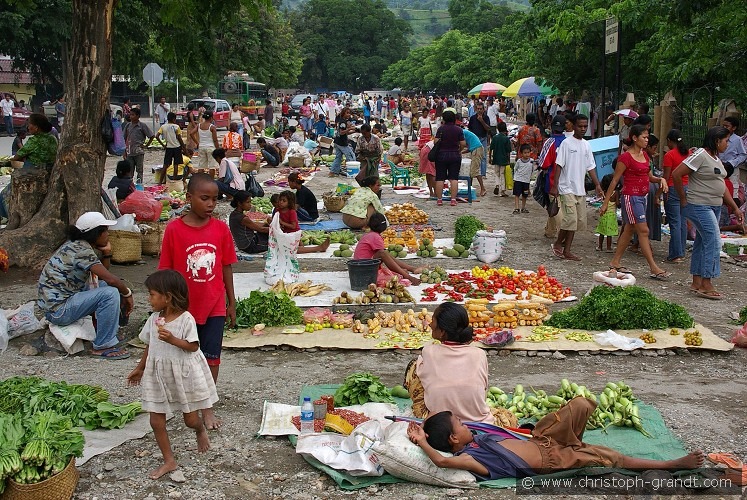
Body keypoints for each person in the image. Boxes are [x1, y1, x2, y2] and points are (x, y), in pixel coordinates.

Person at [407, 396, 705, 482]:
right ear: (453, 439)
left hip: (544, 439)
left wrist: (425, 424)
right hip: (553, 460)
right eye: (460, 424)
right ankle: (671, 464)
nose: (465, 423)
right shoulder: (470, 459)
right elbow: (442, 461)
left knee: (581, 404)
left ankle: (575, 440)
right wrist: (422, 440)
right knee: (612, 458)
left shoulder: (476, 439)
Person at [159, 174, 237, 430]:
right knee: (185, 356)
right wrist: (165, 307)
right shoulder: (173, 229)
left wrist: (231, 302)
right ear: (189, 198)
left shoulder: (220, 229)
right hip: (184, 308)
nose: (211, 204)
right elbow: (166, 271)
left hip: (214, 303)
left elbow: (226, 266)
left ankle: (207, 407)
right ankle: (186, 401)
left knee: (212, 357)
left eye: (215, 199)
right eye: (205, 198)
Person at [126, 270, 218, 480]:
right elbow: (150, 344)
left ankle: (199, 429)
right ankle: (169, 460)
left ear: (167, 297)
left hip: (183, 374)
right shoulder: (153, 320)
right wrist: (140, 368)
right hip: (157, 374)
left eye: (152, 295)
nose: (149, 299)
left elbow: (193, 346)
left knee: (190, 419)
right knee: (156, 421)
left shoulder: (186, 319)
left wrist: (172, 340)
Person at [38, 212, 133, 359]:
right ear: (95, 234)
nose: (108, 234)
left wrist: (107, 252)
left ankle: (107, 332)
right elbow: (112, 280)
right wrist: (128, 294)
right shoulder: (81, 251)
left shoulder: (76, 245)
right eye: (105, 231)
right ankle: (103, 345)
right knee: (110, 293)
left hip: (57, 304)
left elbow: (102, 273)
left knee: (104, 286)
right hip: (59, 311)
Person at [403, 302, 512, 425]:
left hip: (440, 423)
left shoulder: (429, 351)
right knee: (508, 417)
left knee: (414, 365)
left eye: (432, 320)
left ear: (442, 332)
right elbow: (483, 391)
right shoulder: (479, 354)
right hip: (479, 423)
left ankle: (422, 410)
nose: (430, 324)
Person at [672, 126, 744, 300]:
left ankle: (697, 281)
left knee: (702, 242)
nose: (728, 144)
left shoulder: (716, 159)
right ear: (717, 140)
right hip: (699, 205)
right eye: (726, 140)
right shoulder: (700, 155)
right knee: (714, 240)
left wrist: (734, 208)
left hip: (713, 206)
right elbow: (676, 174)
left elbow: (720, 185)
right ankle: (707, 282)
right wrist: (683, 198)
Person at [600, 125, 670, 278]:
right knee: (643, 231)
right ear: (634, 138)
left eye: (647, 137)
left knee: (629, 229)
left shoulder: (645, 155)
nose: (646, 140)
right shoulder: (625, 157)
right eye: (644, 137)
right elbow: (615, 180)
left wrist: (661, 179)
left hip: (642, 197)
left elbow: (649, 177)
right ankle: (653, 267)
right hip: (631, 197)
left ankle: (615, 262)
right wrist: (605, 202)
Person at [550, 114, 603, 261]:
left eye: (585, 126)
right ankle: (559, 245)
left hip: (580, 189)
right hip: (566, 187)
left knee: (578, 221)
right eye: (580, 126)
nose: (583, 129)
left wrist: (597, 185)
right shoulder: (566, 144)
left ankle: (565, 248)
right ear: (573, 126)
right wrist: (555, 186)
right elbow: (559, 165)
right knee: (571, 219)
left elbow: (591, 167)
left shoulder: (586, 145)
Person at [353, 213, 423, 285]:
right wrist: (401, 272)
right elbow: (384, 256)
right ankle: (408, 277)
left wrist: (401, 269)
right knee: (383, 253)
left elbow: (387, 257)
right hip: (363, 268)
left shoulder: (370, 234)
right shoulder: (375, 237)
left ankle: (411, 268)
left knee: (385, 254)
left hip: (360, 266)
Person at [662, 129, 691, 263]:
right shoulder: (688, 153)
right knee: (683, 221)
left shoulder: (669, 155)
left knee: (675, 222)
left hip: (673, 188)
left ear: (669, 141)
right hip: (686, 187)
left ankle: (675, 254)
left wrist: (659, 193)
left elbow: (667, 176)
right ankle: (681, 252)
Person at [538, 116, 570, 238]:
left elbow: (543, 163)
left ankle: (564, 233)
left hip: (552, 181)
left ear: (551, 127)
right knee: (555, 206)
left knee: (556, 208)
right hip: (567, 180)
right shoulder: (568, 142)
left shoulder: (550, 142)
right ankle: (550, 230)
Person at [433, 110, 466, 206]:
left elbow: (435, 142)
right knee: (454, 178)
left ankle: (439, 199)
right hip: (455, 155)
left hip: (441, 155)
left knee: (440, 178)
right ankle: (453, 200)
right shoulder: (458, 130)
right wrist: (459, 149)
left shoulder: (441, 129)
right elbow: (463, 143)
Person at [123, 107, 155, 184]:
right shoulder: (127, 126)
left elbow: (151, 136)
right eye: (130, 115)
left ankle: (139, 185)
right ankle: (130, 185)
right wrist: (124, 151)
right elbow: (124, 139)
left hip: (139, 152)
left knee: (139, 170)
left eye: (133, 115)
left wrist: (146, 145)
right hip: (129, 152)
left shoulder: (142, 126)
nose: (131, 116)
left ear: (138, 116)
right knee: (130, 171)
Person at [720, 117, 747, 203]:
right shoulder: (718, 137)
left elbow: (743, 155)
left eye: (727, 126)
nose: (724, 128)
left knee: (733, 190)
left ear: (734, 128)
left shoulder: (737, 140)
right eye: (723, 126)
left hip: (732, 169)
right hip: (719, 167)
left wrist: (732, 163)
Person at [155, 112, 187, 184]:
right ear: (173, 119)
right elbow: (179, 138)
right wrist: (184, 148)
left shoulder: (163, 127)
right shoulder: (176, 127)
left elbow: (157, 136)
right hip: (176, 147)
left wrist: (163, 145)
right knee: (176, 164)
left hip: (168, 147)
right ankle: (174, 180)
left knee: (165, 165)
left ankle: (160, 181)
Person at [468, 102, 492, 195]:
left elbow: (488, 129)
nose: (479, 110)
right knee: (474, 158)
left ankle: (482, 173)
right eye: (478, 108)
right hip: (475, 139)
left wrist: (482, 121)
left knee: (483, 157)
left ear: (483, 109)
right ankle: (476, 174)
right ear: (475, 109)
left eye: (481, 109)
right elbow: (470, 129)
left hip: (483, 138)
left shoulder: (486, 118)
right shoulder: (473, 118)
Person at [595, 174, 618, 252]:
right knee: (609, 233)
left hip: (604, 215)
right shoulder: (615, 193)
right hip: (611, 215)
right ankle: (608, 247)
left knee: (602, 232)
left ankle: (600, 246)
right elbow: (618, 204)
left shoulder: (604, 193)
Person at [463, 127, 487, 197]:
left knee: (474, 171)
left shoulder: (462, 133)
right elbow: (469, 147)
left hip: (477, 150)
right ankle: (469, 189)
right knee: (472, 170)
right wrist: (461, 152)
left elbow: (463, 144)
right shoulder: (465, 133)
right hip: (476, 149)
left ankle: (483, 188)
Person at [490, 122, 512, 197]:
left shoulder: (495, 138)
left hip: (496, 158)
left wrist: (490, 158)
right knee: (502, 173)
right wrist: (508, 160)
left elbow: (491, 149)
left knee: (497, 173)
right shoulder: (506, 139)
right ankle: (502, 190)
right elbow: (508, 151)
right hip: (503, 159)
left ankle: (497, 185)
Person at [512, 144, 534, 214]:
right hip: (518, 180)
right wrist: (514, 178)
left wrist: (530, 178)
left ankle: (523, 208)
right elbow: (515, 169)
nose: (527, 154)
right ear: (521, 153)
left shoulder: (532, 161)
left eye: (528, 152)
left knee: (525, 195)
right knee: (517, 194)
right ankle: (516, 208)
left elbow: (533, 170)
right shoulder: (519, 161)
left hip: (526, 181)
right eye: (525, 153)